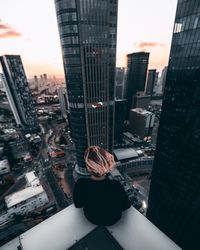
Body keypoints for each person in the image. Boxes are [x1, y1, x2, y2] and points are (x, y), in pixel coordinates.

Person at [73, 146, 131, 226]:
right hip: (114, 220)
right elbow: (126, 206)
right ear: (107, 166)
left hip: (92, 219)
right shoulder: (115, 185)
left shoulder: (81, 184)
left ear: (89, 167)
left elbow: (78, 204)